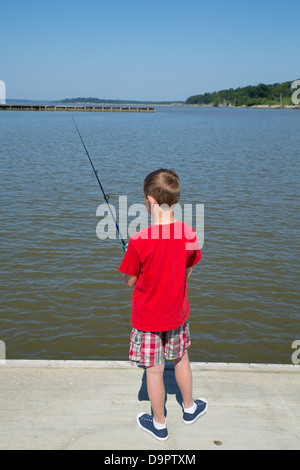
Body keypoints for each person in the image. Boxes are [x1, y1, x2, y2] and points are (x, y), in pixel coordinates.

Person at [119, 168, 207, 441]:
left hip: (147, 319)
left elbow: (129, 281)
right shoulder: (190, 234)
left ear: (150, 201)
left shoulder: (138, 241)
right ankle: (190, 408)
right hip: (177, 314)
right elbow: (187, 272)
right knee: (181, 360)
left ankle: (159, 424)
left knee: (154, 372)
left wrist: (133, 259)